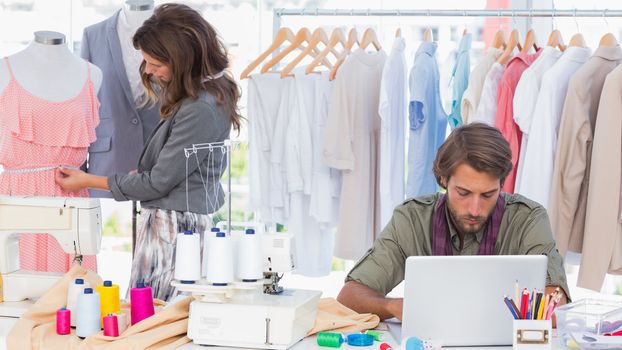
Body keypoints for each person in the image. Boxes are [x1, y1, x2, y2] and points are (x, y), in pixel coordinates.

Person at [55, 3, 242, 301]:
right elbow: (172, 169)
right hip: (176, 221)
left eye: (156, 64)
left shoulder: (200, 108)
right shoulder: (203, 96)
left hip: (173, 228)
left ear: (182, 58)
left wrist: (87, 180)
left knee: (153, 316)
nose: (149, 71)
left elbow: (158, 182)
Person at [337, 123, 569, 321]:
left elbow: (556, 304)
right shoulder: (412, 219)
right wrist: (393, 307)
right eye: (463, 192)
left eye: (488, 194)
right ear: (443, 179)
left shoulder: (528, 219)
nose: (475, 209)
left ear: (502, 184)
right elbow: (349, 297)